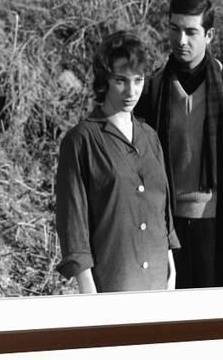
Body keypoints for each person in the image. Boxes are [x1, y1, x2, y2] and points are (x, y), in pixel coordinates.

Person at [135, 0, 223, 288]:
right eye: (174, 29)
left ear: (209, 35)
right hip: (164, 228)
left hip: (219, 227)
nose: (181, 40)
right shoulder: (151, 90)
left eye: (191, 31)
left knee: (214, 323)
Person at [55, 30, 180, 293]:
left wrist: (171, 267)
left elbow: (162, 210)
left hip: (159, 277)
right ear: (104, 81)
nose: (131, 91)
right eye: (120, 80)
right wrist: (89, 290)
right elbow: (73, 225)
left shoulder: (150, 137)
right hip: (113, 278)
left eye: (138, 80)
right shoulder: (80, 141)